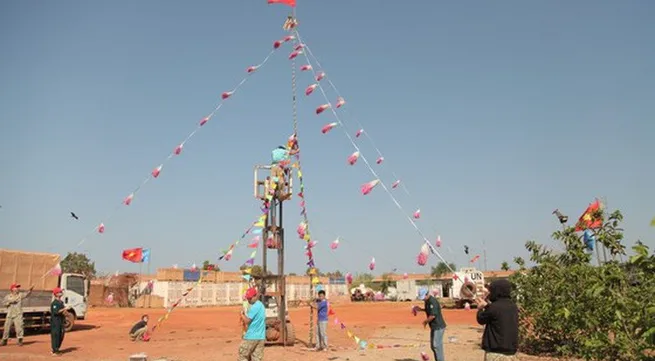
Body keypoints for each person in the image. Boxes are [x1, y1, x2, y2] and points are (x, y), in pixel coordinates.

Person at [476, 279, 519, 361]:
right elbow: (498, 313)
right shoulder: (513, 306)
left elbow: (481, 319)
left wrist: (480, 309)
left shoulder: (493, 307)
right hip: (511, 352)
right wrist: (486, 305)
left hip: (495, 352)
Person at [416, 287, 447, 361]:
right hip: (433, 326)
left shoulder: (432, 301)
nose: (423, 299)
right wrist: (420, 309)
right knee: (433, 346)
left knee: (436, 345)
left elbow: (433, 315)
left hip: (438, 326)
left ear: (427, 294)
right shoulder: (427, 301)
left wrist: (425, 321)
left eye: (423, 297)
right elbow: (428, 310)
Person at [238, 287, 265, 361]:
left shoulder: (255, 307)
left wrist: (242, 314)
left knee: (242, 355)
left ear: (255, 296)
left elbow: (247, 321)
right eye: (248, 299)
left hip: (251, 336)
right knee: (256, 358)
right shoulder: (261, 305)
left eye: (250, 298)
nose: (249, 300)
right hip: (261, 337)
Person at [50, 287, 70, 356]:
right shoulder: (54, 303)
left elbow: (63, 312)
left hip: (61, 321)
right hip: (56, 321)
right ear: (56, 294)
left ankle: (57, 348)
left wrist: (67, 312)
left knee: (61, 334)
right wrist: (64, 308)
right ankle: (55, 350)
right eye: (59, 292)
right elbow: (56, 312)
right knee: (56, 335)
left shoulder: (61, 302)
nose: (61, 293)